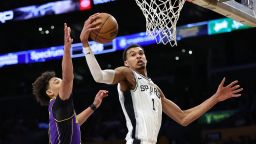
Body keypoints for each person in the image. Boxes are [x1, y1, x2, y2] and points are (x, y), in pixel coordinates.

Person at [80, 13, 243, 144]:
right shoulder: (126, 74)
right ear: (126, 63)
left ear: (146, 58)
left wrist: (216, 98)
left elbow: (183, 118)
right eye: (132, 54)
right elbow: (99, 76)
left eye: (141, 53)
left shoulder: (156, 89)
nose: (138, 56)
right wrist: (85, 44)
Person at [32, 23, 108, 144]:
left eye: (60, 80)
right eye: (57, 82)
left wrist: (94, 105)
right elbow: (68, 78)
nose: (62, 83)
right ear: (49, 92)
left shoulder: (57, 110)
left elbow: (75, 122)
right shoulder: (58, 104)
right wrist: (67, 49)